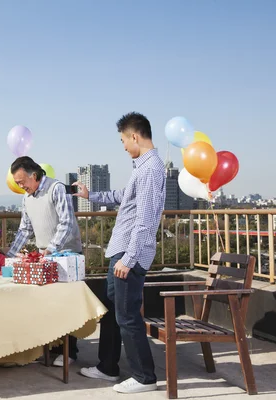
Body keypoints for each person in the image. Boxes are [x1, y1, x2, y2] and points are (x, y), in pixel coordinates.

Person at [76, 112, 165, 394]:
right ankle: (107, 367)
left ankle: (144, 377)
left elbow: (146, 219)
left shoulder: (151, 169)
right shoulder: (142, 168)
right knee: (114, 310)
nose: (124, 146)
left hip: (129, 252)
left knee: (127, 316)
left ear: (135, 136)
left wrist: (129, 258)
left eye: (123, 140)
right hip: (122, 250)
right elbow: (123, 196)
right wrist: (91, 196)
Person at [7, 156, 82, 367]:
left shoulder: (57, 188)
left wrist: (50, 249)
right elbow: (25, 229)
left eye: (22, 182)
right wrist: (10, 256)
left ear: (34, 175)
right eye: (17, 183)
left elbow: (67, 221)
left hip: (66, 254)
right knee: (46, 306)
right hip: (44, 256)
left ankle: (69, 351)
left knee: (66, 304)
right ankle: (50, 348)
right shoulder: (26, 198)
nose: (21, 186)